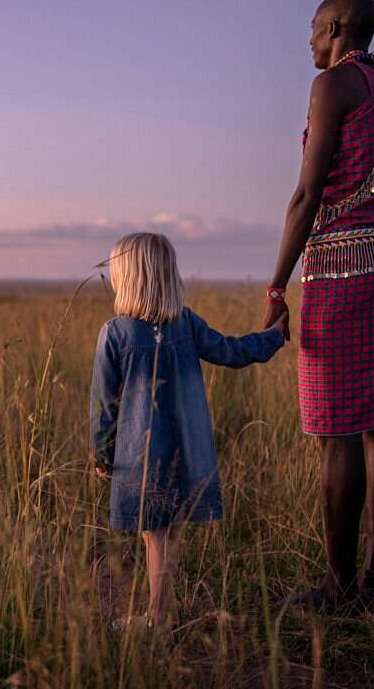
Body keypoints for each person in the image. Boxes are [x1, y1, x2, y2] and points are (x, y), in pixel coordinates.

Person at [262, 0, 374, 612]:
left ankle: (337, 590)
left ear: (336, 26)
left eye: (311, 27)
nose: (307, 39)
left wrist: (278, 285)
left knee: (337, 432)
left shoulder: (332, 86)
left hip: (339, 272)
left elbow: (307, 196)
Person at [90, 231, 288, 628]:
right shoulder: (186, 323)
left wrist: (103, 453)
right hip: (187, 453)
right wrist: (273, 337)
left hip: (140, 457)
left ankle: (159, 617)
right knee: (167, 534)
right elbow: (231, 351)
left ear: (127, 277)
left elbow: (103, 405)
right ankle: (165, 608)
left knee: (155, 535)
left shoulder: (115, 333)